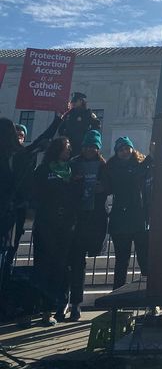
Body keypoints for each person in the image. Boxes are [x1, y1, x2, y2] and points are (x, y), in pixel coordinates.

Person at [0, 115, 63, 290]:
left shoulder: (16, 155)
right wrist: (57, 121)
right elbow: (39, 141)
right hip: (12, 212)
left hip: (11, 210)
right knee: (7, 253)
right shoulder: (18, 155)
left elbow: (38, 142)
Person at [32, 137, 77, 325]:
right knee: (43, 267)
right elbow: (35, 193)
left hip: (64, 225)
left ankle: (50, 310)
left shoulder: (71, 170)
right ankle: (34, 309)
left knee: (59, 268)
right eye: (66, 148)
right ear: (57, 149)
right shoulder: (43, 170)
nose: (69, 151)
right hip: (45, 224)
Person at [67, 129, 108, 321]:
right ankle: (68, 302)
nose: (90, 149)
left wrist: (105, 188)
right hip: (74, 217)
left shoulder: (104, 166)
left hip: (93, 218)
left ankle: (74, 302)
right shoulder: (73, 164)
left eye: (94, 146)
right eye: (88, 146)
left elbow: (113, 184)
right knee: (72, 263)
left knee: (79, 262)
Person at [106, 136, 153, 290]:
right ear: (117, 152)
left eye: (127, 148)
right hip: (121, 218)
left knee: (144, 258)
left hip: (138, 217)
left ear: (132, 149)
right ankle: (117, 295)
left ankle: (150, 292)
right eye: (121, 149)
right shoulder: (112, 168)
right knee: (121, 260)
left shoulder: (141, 165)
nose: (125, 152)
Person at [58, 93, 102, 157]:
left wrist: (88, 136)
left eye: (75, 101)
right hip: (69, 144)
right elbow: (61, 128)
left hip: (81, 145)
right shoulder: (68, 114)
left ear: (81, 101)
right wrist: (64, 137)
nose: (73, 103)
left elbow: (97, 125)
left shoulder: (87, 113)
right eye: (72, 102)